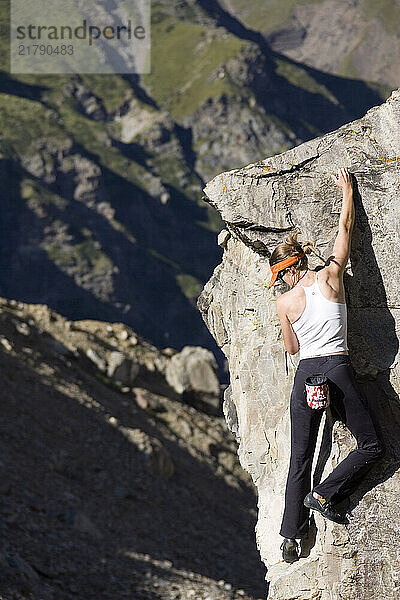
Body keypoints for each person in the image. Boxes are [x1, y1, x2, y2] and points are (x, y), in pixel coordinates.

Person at [268, 167, 383, 564]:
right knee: (371, 444)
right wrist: (347, 192)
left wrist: (290, 318)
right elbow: (346, 230)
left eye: (279, 279)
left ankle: (289, 536)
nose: (280, 286)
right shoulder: (330, 277)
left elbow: (291, 345)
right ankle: (326, 493)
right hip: (337, 368)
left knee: (300, 456)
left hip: (306, 376)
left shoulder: (284, 303)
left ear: (285, 271)